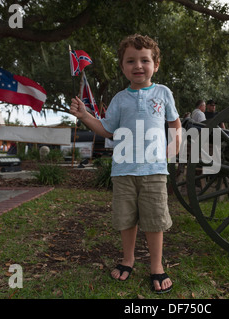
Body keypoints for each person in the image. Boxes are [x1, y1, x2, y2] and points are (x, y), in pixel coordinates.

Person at [70, 34, 181, 294]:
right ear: (123, 67)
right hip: (123, 171)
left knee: (154, 221)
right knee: (126, 219)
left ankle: (156, 266)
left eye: (145, 60)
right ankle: (128, 259)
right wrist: (85, 115)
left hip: (154, 170)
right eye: (131, 61)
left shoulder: (163, 93)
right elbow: (107, 130)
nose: (138, 66)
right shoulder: (120, 99)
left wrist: (173, 149)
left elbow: (175, 124)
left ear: (156, 64)